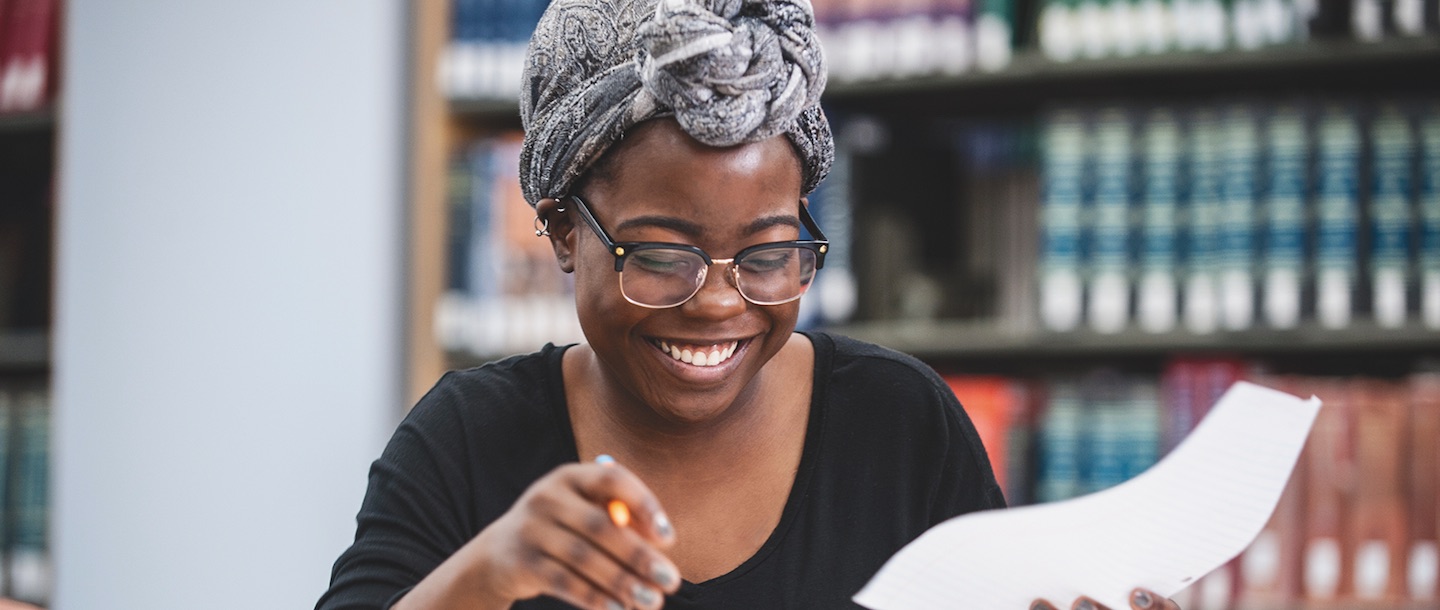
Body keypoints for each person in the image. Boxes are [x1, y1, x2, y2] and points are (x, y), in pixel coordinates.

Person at [316, 0, 1181, 608]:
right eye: (662, 255)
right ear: (563, 231)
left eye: (769, 254)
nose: (721, 304)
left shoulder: (899, 424)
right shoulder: (466, 440)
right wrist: (488, 575)